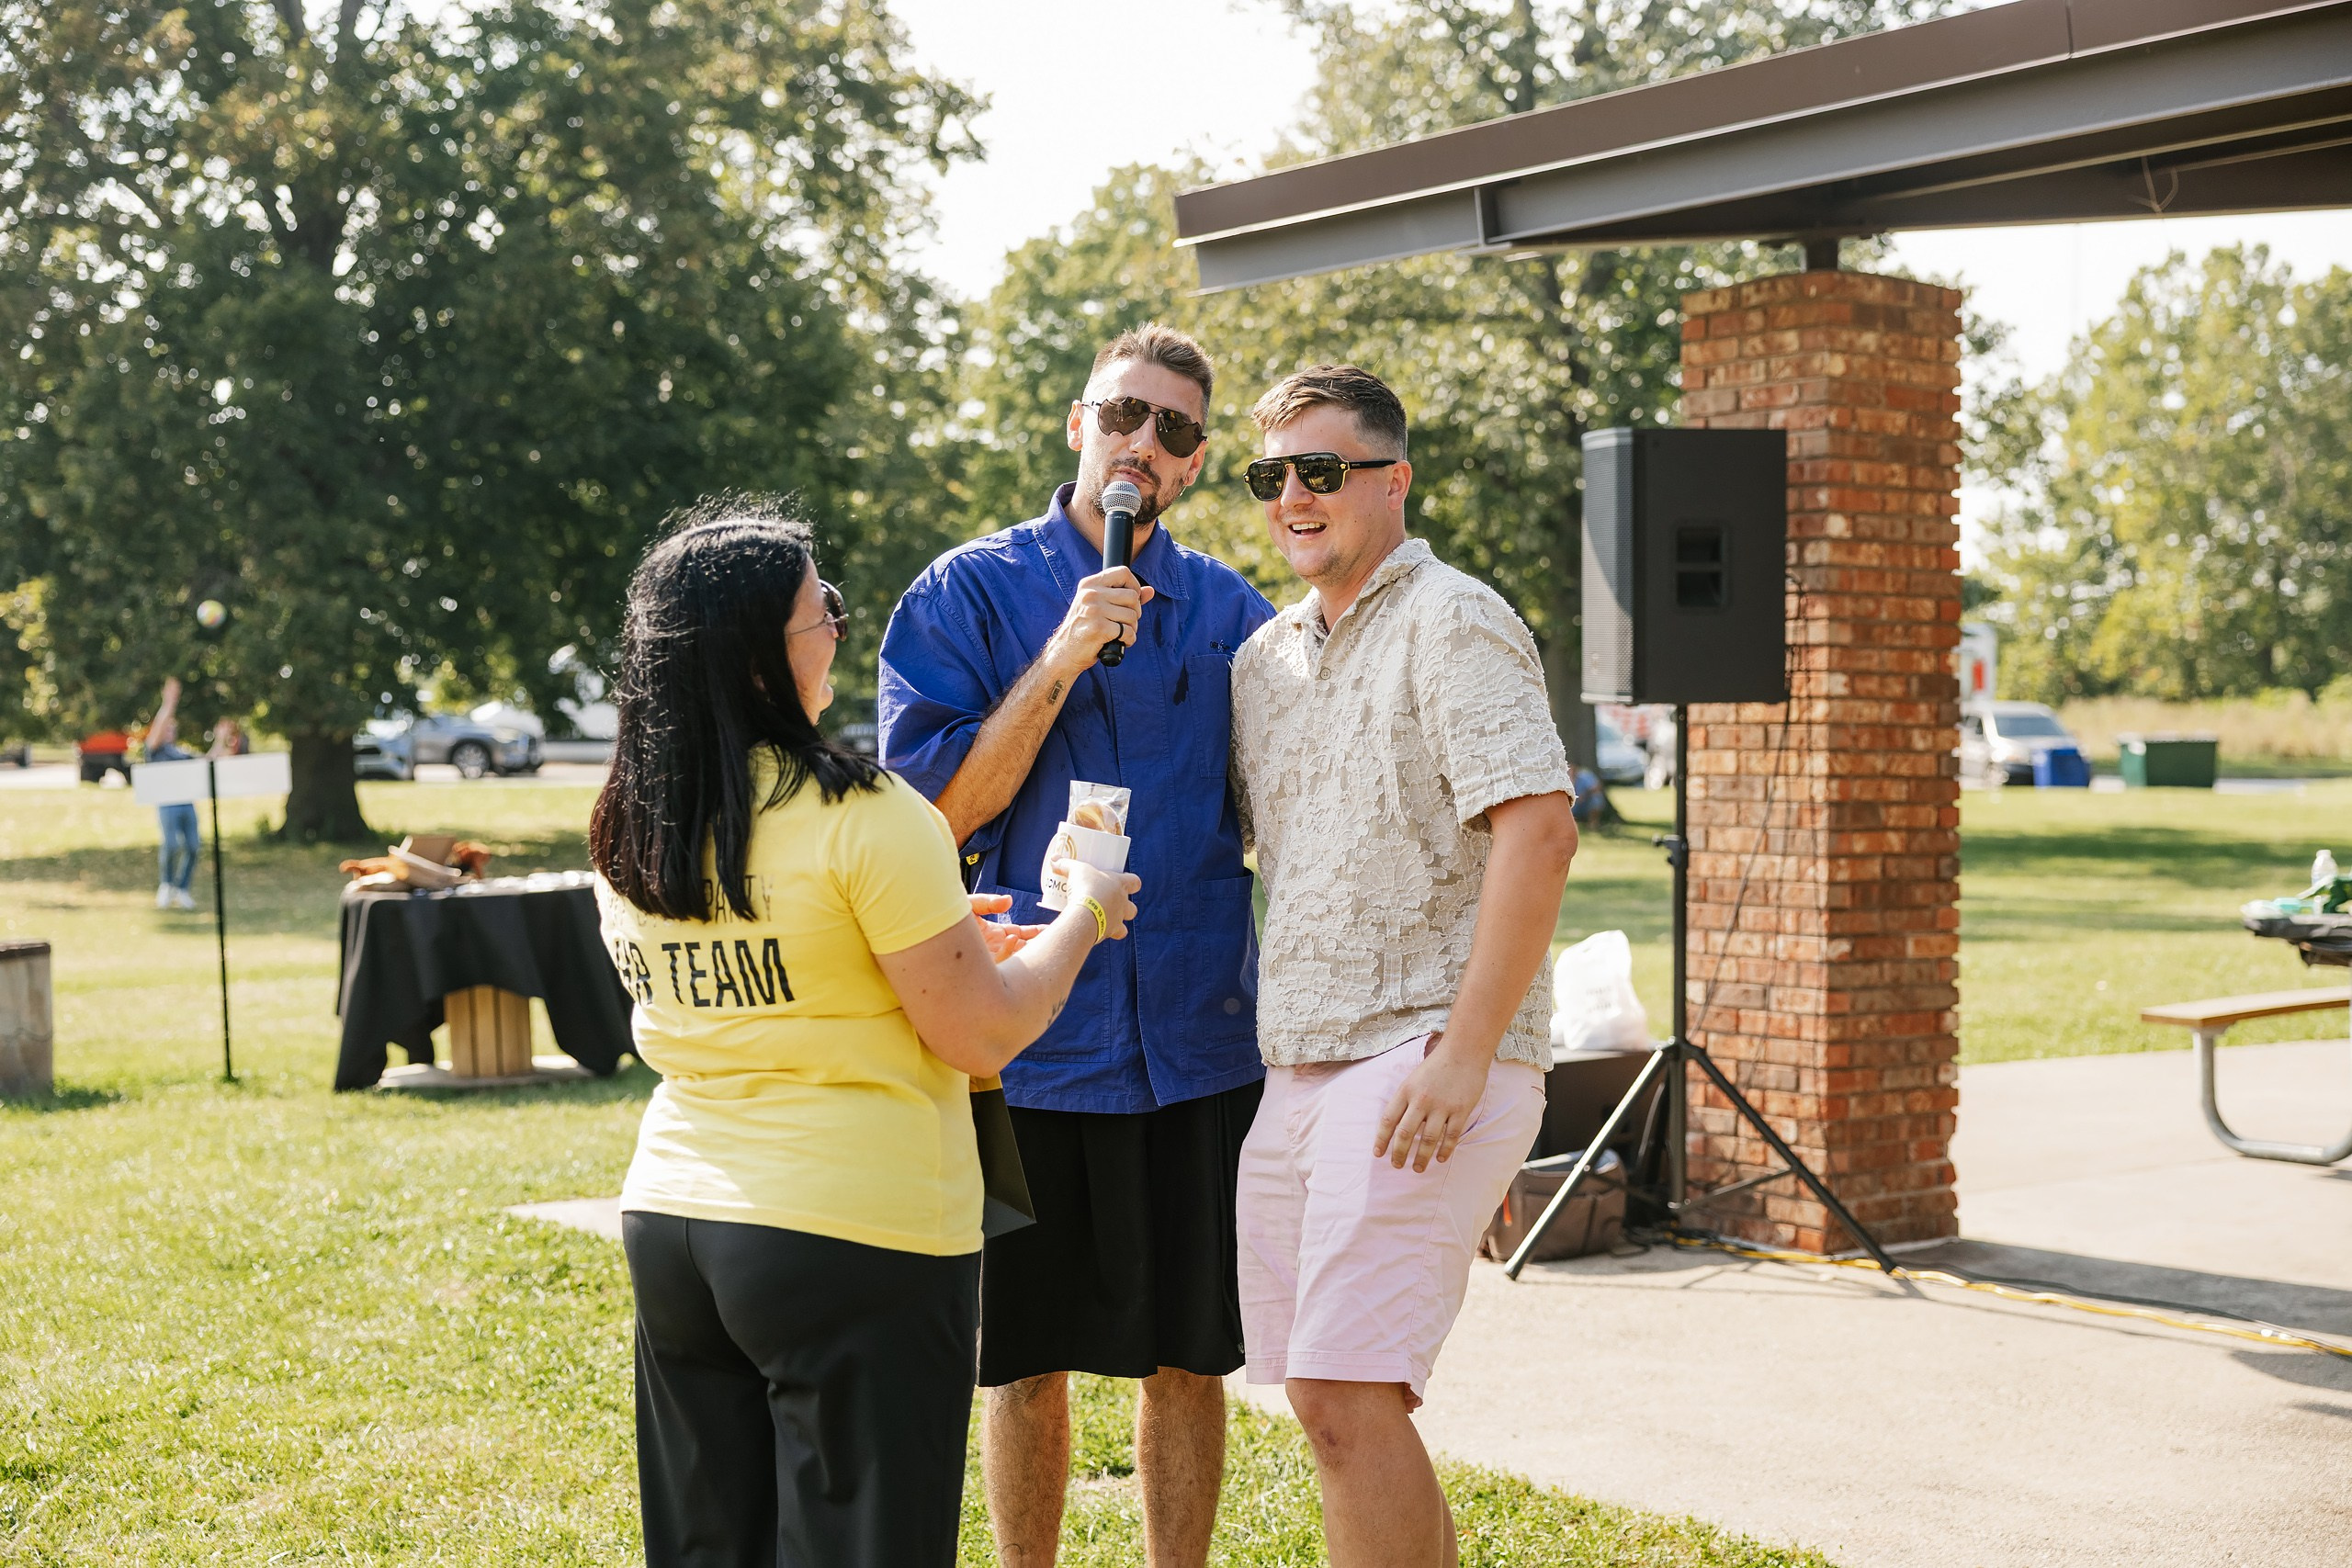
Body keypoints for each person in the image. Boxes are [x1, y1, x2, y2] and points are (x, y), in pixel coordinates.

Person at [588, 497, 1141, 1568]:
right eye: (819, 608)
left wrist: (931, 935)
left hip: (675, 1222)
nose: (838, 625)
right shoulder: (868, 812)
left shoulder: (631, 817)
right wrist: (1082, 916)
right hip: (853, 1232)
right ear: (758, 654)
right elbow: (982, 1034)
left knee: (712, 1548)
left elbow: (769, 965)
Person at [878, 324, 1274, 1568]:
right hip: (1032, 1042)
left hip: (1200, 1044)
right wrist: (1061, 651)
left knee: (1188, 1355)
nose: (1142, 444)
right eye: (1123, 415)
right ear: (1076, 424)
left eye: (1174, 430)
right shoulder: (965, 594)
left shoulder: (1235, 614)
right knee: (1025, 1357)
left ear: (1197, 462)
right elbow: (938, 811)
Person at [1228, 366, 1580, 1568]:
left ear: (1393, 480)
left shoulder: (1454, 616)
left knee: (1339, 1387)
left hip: (1424, 1048)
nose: (1292, 496)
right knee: (1334, 1398)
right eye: (1272, 474)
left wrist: (1470, 1055)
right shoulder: (1260, 659)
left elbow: (1540, 828)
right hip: (1301, 1063)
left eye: (1321, 471)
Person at [145, 678, 199, 911]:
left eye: (171, 727)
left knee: (194, 846)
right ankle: (166, 886)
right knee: (171, 845)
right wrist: (169, 703)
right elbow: (157, 729)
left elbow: (207, 763)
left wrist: (221, 740)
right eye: (165, 726)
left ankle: (182, 889)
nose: (168, 730)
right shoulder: (155, 750)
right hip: (168, 805)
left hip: (187, 804)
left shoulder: (181, 752)